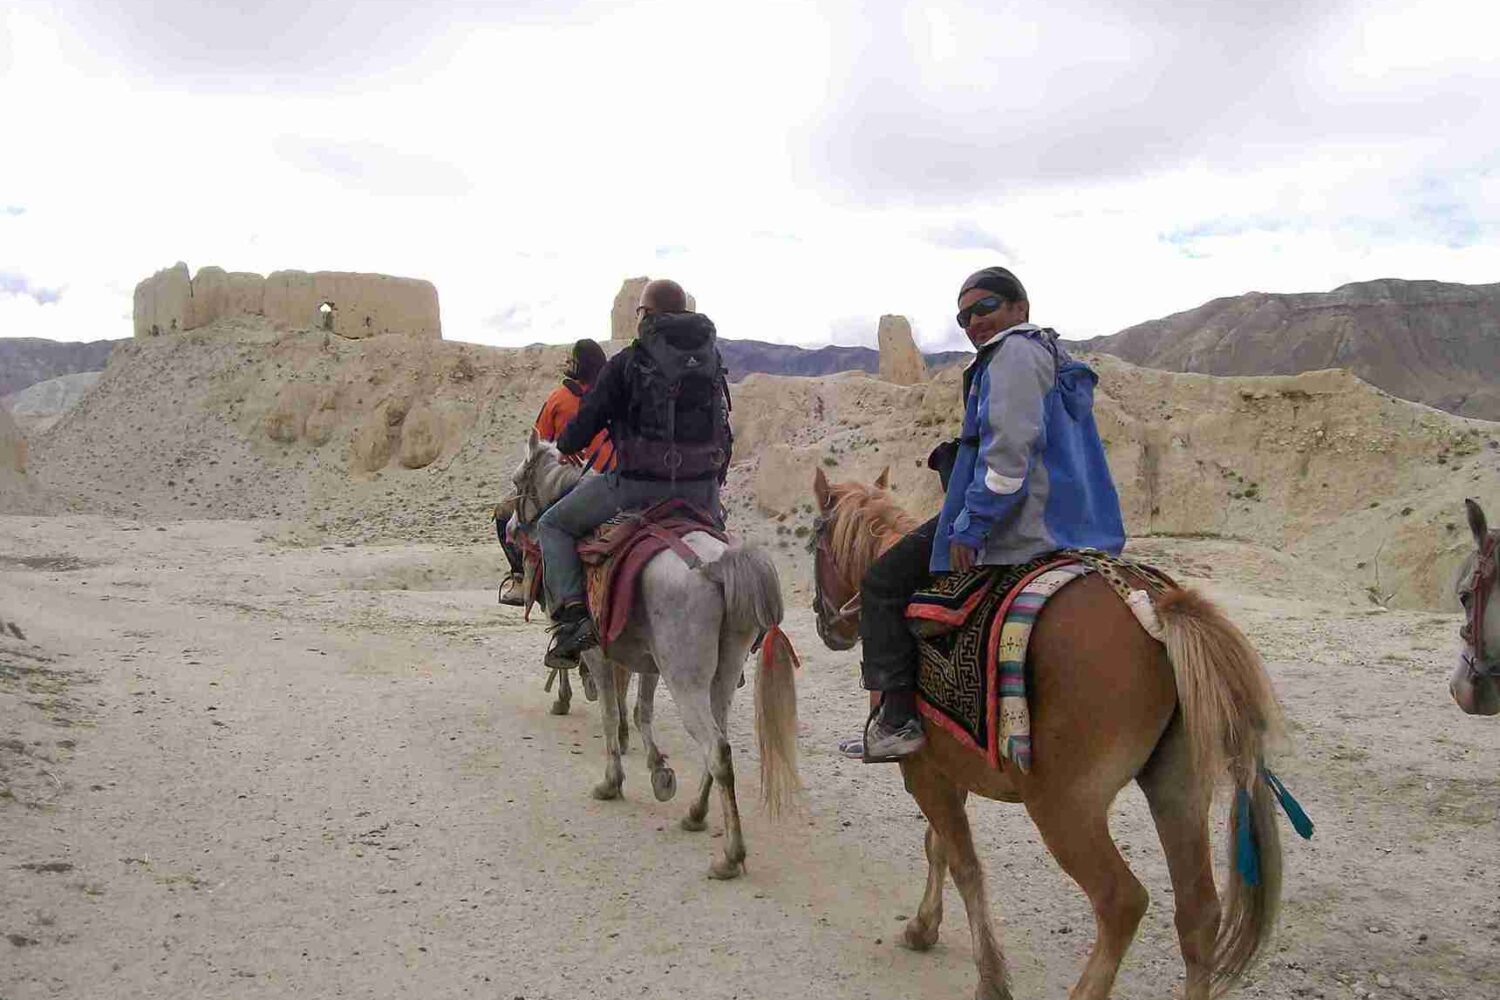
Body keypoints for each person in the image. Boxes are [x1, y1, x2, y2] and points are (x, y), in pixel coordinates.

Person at [859, 265, 1126, 761]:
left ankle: (896, 719)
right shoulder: (1051, 356)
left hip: (1022, 519)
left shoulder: (1013, 353)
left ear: (1019, 307)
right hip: (1080, 521)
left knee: (881, 582)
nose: (974, 321)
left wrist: (973, 523)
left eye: (984, 307)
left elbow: (1009, 452)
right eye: (963, 317)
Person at [537, 278, 732, 666]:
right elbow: (724, 430)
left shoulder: (628, 361)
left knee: (551, 526)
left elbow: (582, 425)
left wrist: (563, 448)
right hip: (703, 493)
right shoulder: (712, 361)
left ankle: (573, 618)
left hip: (636, 489)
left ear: (645, 315)